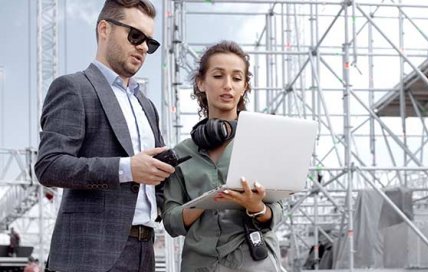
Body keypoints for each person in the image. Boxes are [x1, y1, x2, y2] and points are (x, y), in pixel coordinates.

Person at [34, 0, 175, 271]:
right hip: (89, 255)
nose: (144, 47)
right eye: (136, 36)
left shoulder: (147, 106)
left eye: (150, 42)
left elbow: (154, 179)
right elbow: (49, 166)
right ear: (104, 29)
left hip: (144, 254)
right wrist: (127, 169)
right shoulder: (73, 88)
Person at [162, 41, 283, 272]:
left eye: (237, 78)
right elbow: (171, 221)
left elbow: (277, 210)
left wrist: (257, 207)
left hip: (253, 261)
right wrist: (206, 202)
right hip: (199, 264)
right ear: (200, 82)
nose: (227, 85)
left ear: (244, 86)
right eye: (218, 76)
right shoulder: (181, 153)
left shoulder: (261, 140)